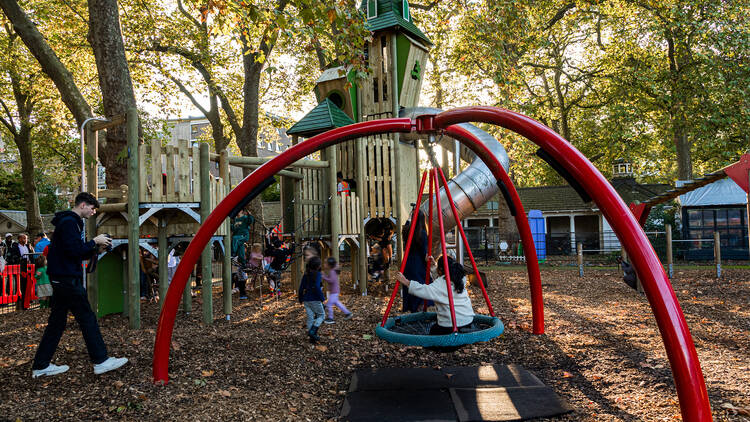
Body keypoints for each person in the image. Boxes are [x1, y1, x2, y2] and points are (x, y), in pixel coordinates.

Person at [31, 192, 128, 378]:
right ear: (83, 205)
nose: (93, 212)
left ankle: (41, 365)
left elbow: (74, 252)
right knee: (87, 318)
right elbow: (74, 250)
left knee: (57, 323)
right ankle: (100, 360)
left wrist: (95, 248)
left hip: (61, 277)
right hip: (67, 278)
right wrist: (94, 241)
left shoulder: (69, 222)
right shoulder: (70, 222)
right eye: (92, 209)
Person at [396, 256, 475, 335]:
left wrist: (406, 282)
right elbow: (441, 280)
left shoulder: (440, 284)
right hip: (468, 321)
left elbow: (424, 290)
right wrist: (433, 265)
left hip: (452, 325)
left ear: (440, 270)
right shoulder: (460, 277)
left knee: (433, 331)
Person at [401, 211, 430, 312]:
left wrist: (409, 218)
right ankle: (420, 307)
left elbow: (405, 226)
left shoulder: (407, 231)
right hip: (418, 264)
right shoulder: (422, 233)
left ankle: (412, 308)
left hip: (407, 263)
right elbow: (424, 252)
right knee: (423, 285)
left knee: (409, 285)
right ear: (422, 220)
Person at [298, 256, 325, 343]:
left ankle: (312, 338)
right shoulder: (317, 274)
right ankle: (313, 331)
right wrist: (322, 298)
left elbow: (301, 287)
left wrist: (300, 298)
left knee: (310, 318)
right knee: (321, 315)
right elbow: (317, 287)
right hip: (315, 299)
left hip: (306, 299)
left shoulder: (306, 275)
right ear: (318, 266)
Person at [323, 257, 352, 324]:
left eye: (325, 263)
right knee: (337, 303)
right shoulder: (332, 270)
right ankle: (348, 313)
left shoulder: (332, 271)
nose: (324, 264)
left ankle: (331, 318)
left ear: (329, 265)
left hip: (334, 291)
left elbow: (331, 281)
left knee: (329, 304)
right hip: (335, 291)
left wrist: (324, 277)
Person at [10, 234, 35, 310]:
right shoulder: (15, 247)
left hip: (29, 269)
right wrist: (22, 260)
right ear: (19, 239)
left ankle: (28, 301)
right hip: (20, 270)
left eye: (26, 238)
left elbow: (32, 256)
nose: (25, 240)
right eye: (24, 238)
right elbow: (13, 258)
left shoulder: (28, 246)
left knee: (29, 286)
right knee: (21, 287)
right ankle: (21, 304)